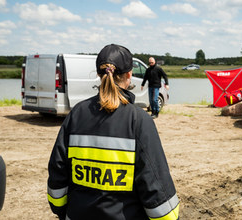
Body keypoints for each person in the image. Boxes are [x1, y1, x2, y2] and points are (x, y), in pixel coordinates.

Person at [47, 44, 179, 220]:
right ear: (129, 74)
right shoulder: (138, 120)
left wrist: (63, 212)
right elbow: (160, 199)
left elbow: (58, 175)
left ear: (98, 74)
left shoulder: (76, 113)